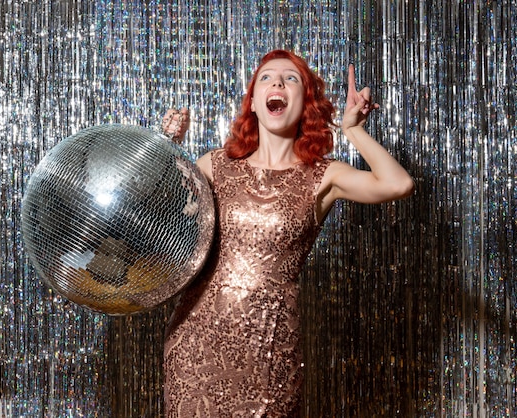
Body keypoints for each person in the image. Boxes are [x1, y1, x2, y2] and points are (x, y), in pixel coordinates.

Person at [160, 49, 415, 417]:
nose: (277, 82)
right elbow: (157, 225)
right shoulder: (213, 166)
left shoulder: (325, 176)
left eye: (290, 78)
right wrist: (167, 150)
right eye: (266, 77)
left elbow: (398, 183)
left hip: (270, 352)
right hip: (195, 349)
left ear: (305, 103)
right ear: (253, 103)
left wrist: (353, 130)